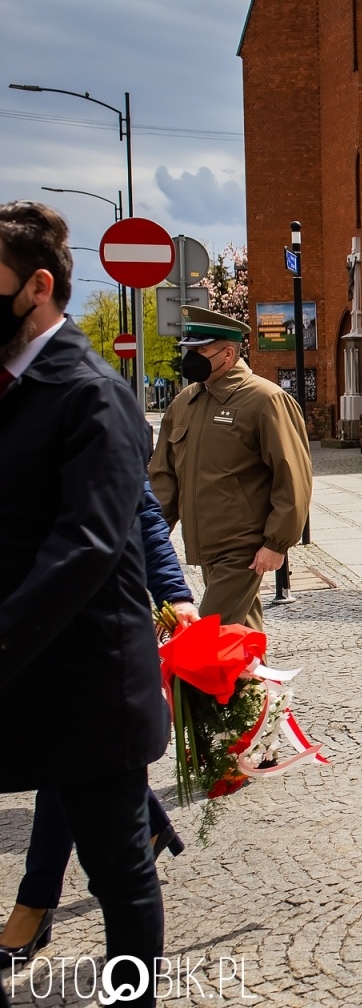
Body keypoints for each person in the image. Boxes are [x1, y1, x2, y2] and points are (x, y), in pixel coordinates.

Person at [0, 200, 168, 1006]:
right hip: (20, 671)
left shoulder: (92, 393)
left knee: (119, 874)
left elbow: (91, 544)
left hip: (87, 683)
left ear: (37, 286)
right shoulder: (9, 384)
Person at [0, 484, 195, 966]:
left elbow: (139, 506)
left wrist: (174, 591)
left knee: (65, 754)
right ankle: (148, 823)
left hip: (72, 623)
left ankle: (36, 901)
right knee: (72, 759)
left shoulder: (84, 408)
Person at [149, 305, 314, 631]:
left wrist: (276, 542)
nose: (191, 356)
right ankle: (256, 682)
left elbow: (292, 474)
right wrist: (151, 534)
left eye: (200, 350)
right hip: (204, 545)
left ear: (227, 353)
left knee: (206, 637)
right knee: (238, 641)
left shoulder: (264, 399)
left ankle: (194, 684)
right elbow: (164, 477)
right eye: (188, 349)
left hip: (244, 548)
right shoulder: (184, 403)